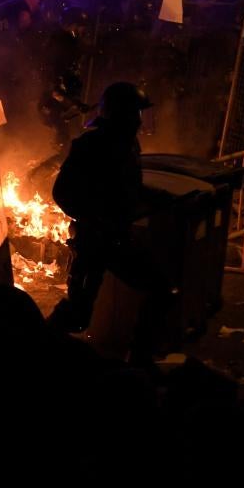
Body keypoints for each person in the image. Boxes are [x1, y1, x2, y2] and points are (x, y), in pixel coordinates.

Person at [47, 82, 173, 365]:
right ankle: (35, 346)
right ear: (120, 115)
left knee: (160, 290)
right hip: (93, 242)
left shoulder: (129, 145)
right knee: (78, 316)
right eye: (135, 113)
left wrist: (158, 197)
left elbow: (127, 187)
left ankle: (138, 363)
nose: (140, 121)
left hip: (117, 239)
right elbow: (62, 193)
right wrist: (95, 219)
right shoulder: (90, 145)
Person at [38, 7, 92, 152]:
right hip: (55, 110)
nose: (82, 30)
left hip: (68, 107)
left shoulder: (72, 47)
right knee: (65, 144)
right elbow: (56, 93)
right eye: (79, 26)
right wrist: (75, 104)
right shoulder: (57, 56)